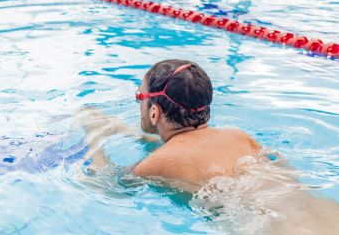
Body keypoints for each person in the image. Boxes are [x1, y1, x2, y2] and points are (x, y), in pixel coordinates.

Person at [76, 59, 339, 234]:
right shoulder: (238, 136)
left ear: (154, 112)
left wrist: (93, 133)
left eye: (139, 98)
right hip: (322, 211)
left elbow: (107, 187)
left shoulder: (152, 166)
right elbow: (189, 149)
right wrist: (124, 130)